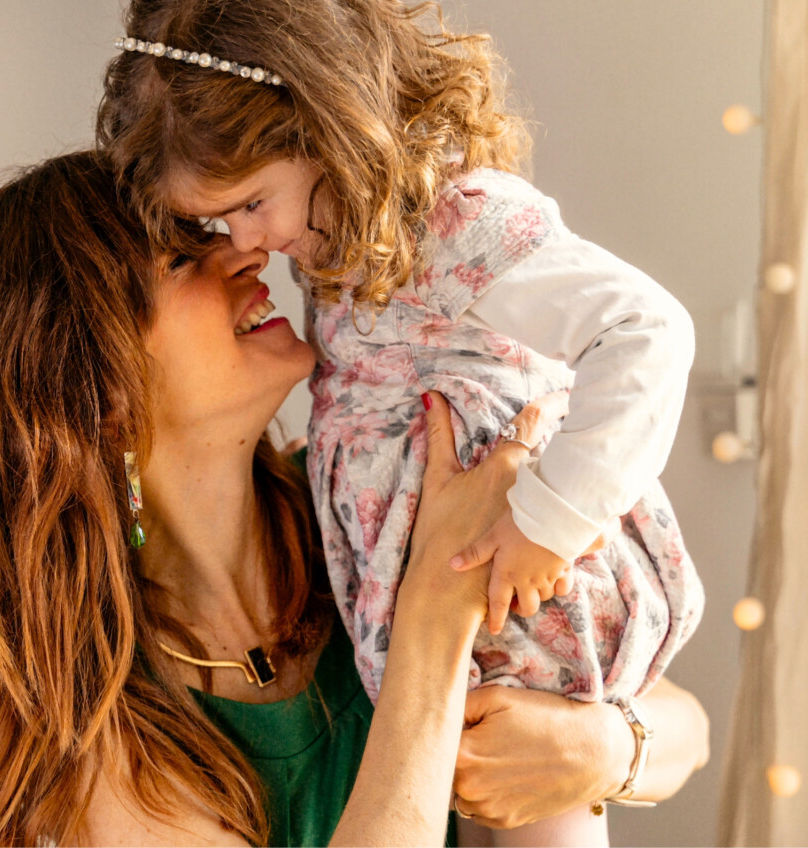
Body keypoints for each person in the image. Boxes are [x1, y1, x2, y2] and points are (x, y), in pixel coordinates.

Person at [0, 150, 708, 847]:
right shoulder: (84, 726)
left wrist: (604, 751)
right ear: (96, 393)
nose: (249, 253)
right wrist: (435, 610)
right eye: (181, 261)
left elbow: (685, 723)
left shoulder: (356, 507)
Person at [98, 3, 705, 843]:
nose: (247, 244)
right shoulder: (336, 247)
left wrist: (548, 524)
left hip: (510, 566)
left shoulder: (453, 224)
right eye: (203, 234)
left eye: (251, 204)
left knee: (540, 785)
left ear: (327, 132)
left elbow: (647, 330)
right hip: (463, 599)